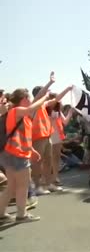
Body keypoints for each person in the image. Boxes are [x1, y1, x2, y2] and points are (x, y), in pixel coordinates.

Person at [0, 89, 52, 224]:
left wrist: (32, 150)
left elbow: (23, 136)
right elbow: (31, 108)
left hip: (13, 153)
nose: (29, 100)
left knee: (11, 186)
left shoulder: (19, 114)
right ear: (22, 99)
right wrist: (44, 98)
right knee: (23, 185)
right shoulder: (16, 111)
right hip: (17, 155)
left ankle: (1, 213)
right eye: (28, 98)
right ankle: (21, 215)